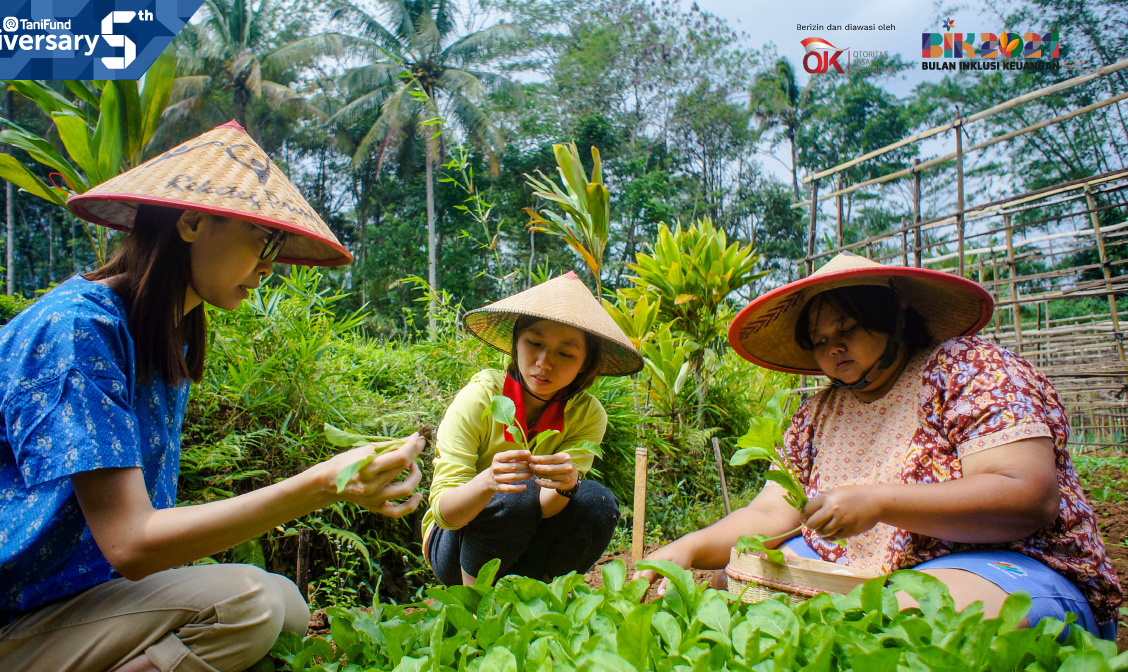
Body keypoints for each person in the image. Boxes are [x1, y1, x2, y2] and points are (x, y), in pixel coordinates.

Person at [0, 121, 423, 672]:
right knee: (248, 604)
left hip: (64, 603)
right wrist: (323, 485)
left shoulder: (160, 337)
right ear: (191, 221)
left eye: (277, 246)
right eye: (263, 239)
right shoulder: (75, 330)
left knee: (285, 603)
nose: (269, 264)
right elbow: (132, 543)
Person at [637, 252, 1121, 639]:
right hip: (867, 576)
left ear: (894, 315)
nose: (833, 348)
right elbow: (770, 516)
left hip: (1008, 567)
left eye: (847, 329)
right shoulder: (816, 416)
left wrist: (880, 501)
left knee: (912, 621)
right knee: (732, 581)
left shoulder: (967, 369)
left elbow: (1026, 495)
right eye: (818, 338)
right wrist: (684, 549)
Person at [422, 272, 642, 585]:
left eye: (565, 353)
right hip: (456, 545)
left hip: (524, 539)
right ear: (515, 343)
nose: (544, 362)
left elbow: (547, 508)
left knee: (596, 502)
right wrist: (488, 482)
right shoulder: (482, 397)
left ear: (585, 363)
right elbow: (445, 512)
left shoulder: (587, 415)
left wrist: (565, 486)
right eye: (534, 343)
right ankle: (475, 607)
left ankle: (543, 598)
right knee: (515, 492)